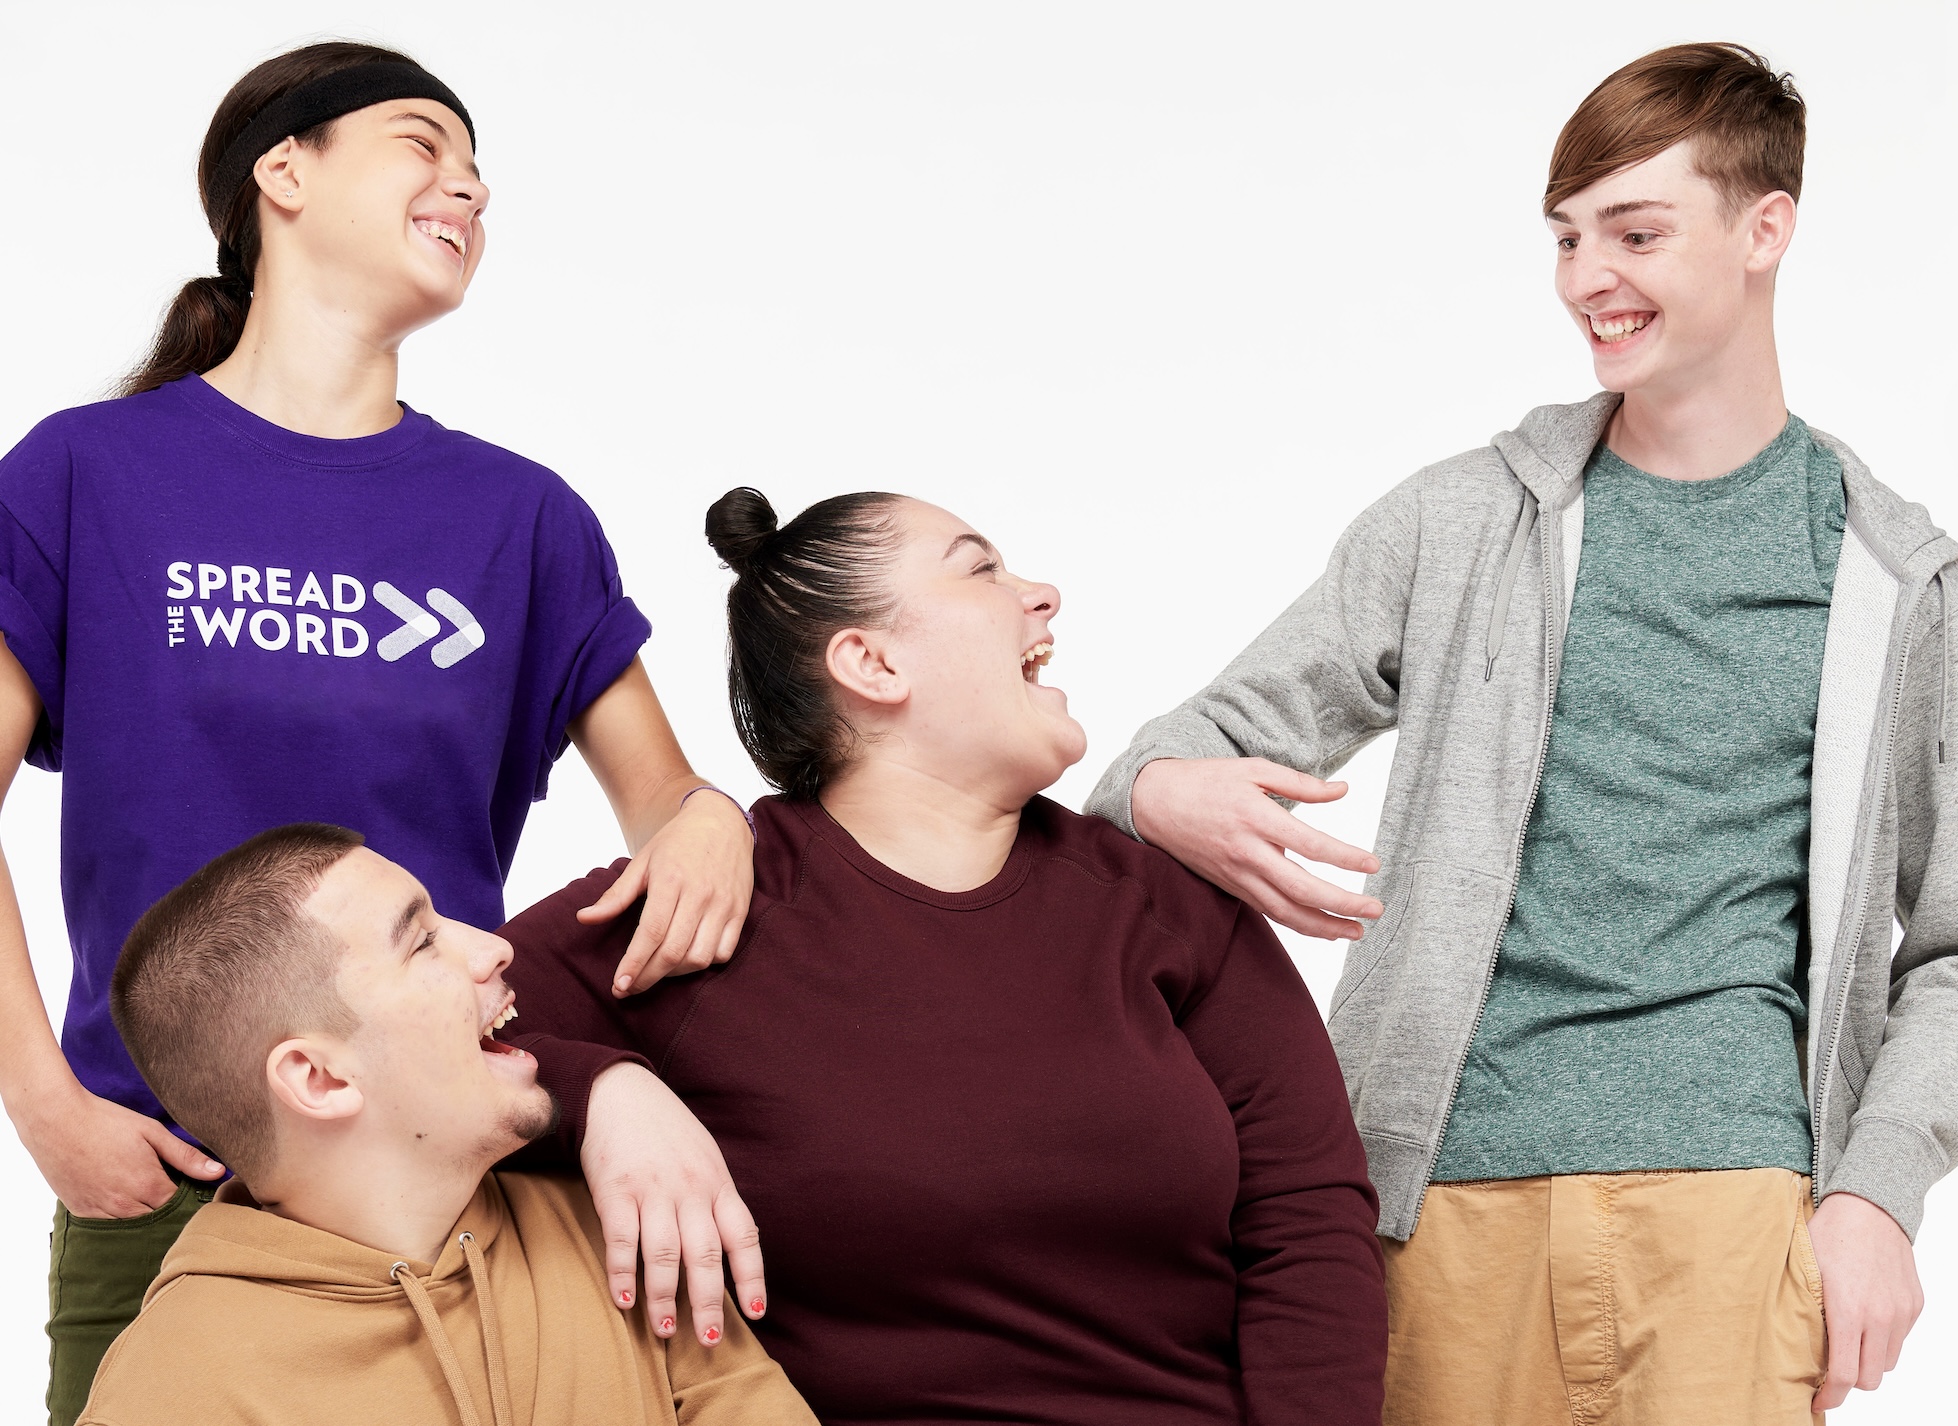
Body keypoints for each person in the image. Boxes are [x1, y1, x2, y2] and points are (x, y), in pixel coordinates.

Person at [1086, 42, 1958, 1425]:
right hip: (1429, 1204)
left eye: (1633, 232)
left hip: (1734, 1209)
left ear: (1764, 229)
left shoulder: (1894, 580)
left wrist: (1874, 1191)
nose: (1584, 279)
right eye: (1566, 237)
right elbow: (1185, 738)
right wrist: (1158, 789)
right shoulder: (1456, 521)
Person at [0, 43, 757, 1424]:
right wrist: (40, 1096)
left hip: (457, 1180)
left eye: (479, 170)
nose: (465, 182)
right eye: (422, 141)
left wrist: (705, 825)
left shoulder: (518, 519)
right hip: (166, 1176)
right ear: (281, 173)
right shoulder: (81, 473)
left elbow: (668, 808)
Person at [491, 488, 1389, 1425]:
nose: (1042, 595)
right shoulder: (704, 901)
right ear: (872, 662)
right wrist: (602, 1093)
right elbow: (405, 1043)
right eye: (982, 567)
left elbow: (1308, 1217)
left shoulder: (1166, 907)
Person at [75, 822, 813, 1426]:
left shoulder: (617, 1232)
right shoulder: (171, 1392)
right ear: (320, 1079)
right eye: (422, 940)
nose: (494, 947)